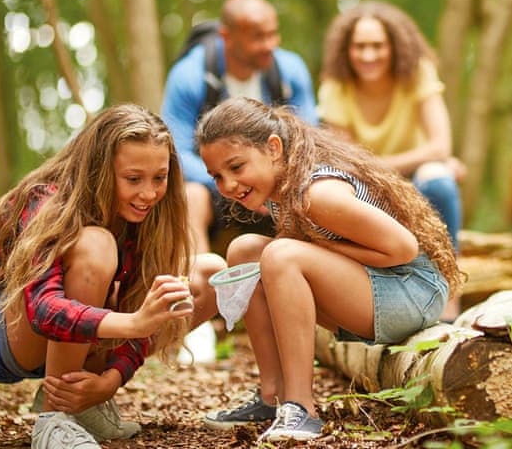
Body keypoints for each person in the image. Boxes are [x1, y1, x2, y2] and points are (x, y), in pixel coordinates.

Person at [0, 104, 223, 449]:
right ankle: (54, 421)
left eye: (160, 177)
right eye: (133, 179)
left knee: (210, 273)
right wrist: (135, 324)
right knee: (96, 244)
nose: (150, 193)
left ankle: (81, 399)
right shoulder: (49, 202)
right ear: (100, 170)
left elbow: (139, 303)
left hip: (61, 338)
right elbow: (45, 309)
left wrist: (111, 378)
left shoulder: (148, 215)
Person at [196, 98, 465, 442]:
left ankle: (301, 409)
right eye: (217, 176)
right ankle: (271, 395)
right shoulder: (284, 190)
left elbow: (403, 248)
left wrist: (316, 248)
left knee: (281, 255)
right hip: (375, 285)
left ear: (274, 148)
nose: (228, 185)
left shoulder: (317, 194)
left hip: (413, 291)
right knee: (245, 250)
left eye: (236, 167)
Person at [317, 0, 465, 319]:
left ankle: (450, 293)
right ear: (347, 50)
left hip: (417, 177)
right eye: (360, 47)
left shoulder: (416, 73)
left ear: (394, 47)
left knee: (439, 179)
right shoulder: (336, 86)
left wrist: (384, 166)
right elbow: (343, 161)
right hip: (365, 185)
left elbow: (440, 146)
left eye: (377, 46)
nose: (368, 56)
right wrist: (383, 172)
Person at [161, 0, 318, 257]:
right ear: (227, 37)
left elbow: (309, 140)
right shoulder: (189, 76)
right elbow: (176, 154)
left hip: (277, 181)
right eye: (258, 36)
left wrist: (269, 181)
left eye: (273, 33)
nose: (270, 44)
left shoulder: (290, 70)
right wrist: (235, 181)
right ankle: (198, 280)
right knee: (191, 197)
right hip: (218, 185)